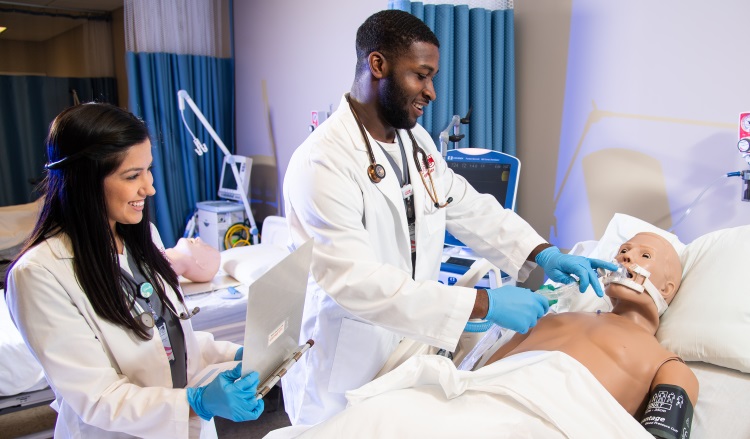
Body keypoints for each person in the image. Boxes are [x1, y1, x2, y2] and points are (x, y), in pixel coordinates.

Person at [281, 9, 616, 425]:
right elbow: (358, 283)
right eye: (421, 75)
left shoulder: (415, 141)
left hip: (407, 348)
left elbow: (465, 204)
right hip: (346, 363)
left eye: (432, 77)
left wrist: (544, 253)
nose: (432, 92)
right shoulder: (322, 162)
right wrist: (483, 302)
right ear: (378, 64)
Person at [5, 103, 263, 439]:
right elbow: (97, 397)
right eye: (132, 176)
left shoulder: (144, 239)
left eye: (148, 170)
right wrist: (196, 402)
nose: (149, 188)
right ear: (85, 180)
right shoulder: (39, 274)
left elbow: (164, 337)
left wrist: (234, 354)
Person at [484, 232, 698, 437]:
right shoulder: (544, 319)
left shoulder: (666, 365)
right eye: (624, 250)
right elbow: (476, 377)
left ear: (666, 289)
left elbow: (663, 435)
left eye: (645, 255)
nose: (625, 256)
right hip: (479, 404)